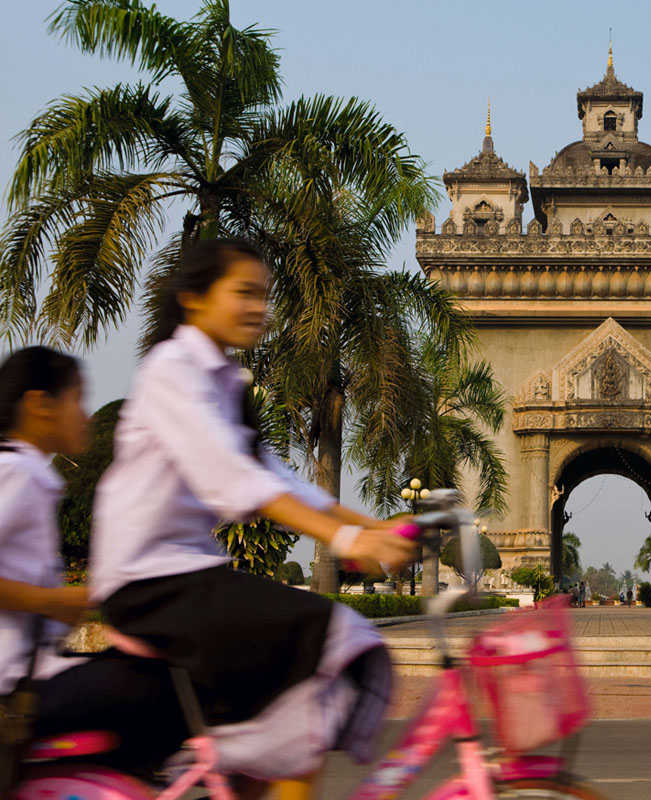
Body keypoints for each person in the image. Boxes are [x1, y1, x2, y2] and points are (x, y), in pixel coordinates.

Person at [87, 238, 415, 799]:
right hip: (149, 581)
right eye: (242, 293)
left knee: (294, 708)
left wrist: (376, 526)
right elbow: (235, 481)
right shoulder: (173, 369)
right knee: (332, 634)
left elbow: (282, 482)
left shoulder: (225, 383)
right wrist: (346, 536)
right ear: (193, 298)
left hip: (186, 576)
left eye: (262, 294)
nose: (258, 307)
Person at [0, 346, 189, 787]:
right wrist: (53, 600)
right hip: (16, 691)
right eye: (76, 400)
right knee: (169, 686)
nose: (85, 417)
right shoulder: (17, 473)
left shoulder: (26, 473)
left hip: (32, 675)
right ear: (39, 405)